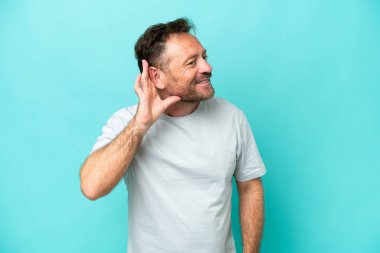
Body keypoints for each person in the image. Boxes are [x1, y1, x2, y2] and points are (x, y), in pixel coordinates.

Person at [80, 18, 266, 253]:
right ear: (157, 77)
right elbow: (91, 187)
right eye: (191, 63)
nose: (207, 68)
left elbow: (250, 187)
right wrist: (141, 124)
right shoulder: (126, 122)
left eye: (204, 57)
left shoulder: (232, 117)